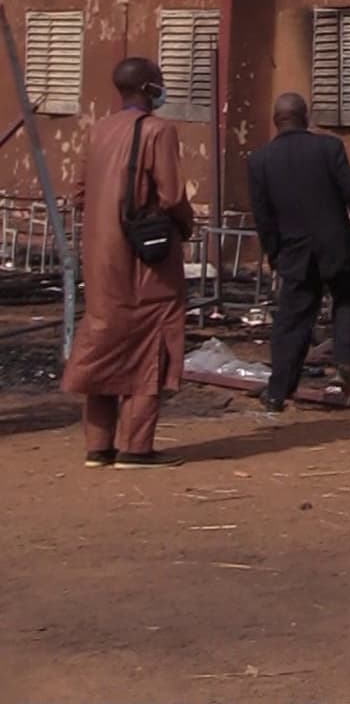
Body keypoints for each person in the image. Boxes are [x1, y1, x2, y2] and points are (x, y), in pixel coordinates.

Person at [62, 57, 195, 469]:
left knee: (103, 345)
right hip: (146, 262)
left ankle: (97, 447)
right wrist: (185, 227)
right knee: (148, 348)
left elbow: (80, 192)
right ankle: (136, 448)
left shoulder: (99, 130)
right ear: (151, 87)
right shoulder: (158, 131)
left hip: (101, 258)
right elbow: (172, 196)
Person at [248, 93, 350, 413]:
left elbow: (263, 217)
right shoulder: (328, 148)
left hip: (294, 253)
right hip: (336, 245)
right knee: (349, 299)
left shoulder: (260, 161)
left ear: (276, 121)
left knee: (292, 319)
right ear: (305, 117)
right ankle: (345, 362)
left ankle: (277, 392)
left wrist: (275, 255)